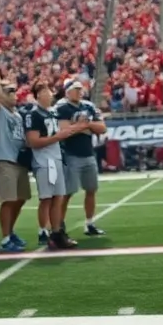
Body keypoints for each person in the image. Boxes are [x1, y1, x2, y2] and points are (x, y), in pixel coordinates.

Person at [25, 82, 79, 249]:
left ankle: (57, 232)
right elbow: (32, 141)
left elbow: (60, 132)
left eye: (49, 90)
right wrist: (58, 137)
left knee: (58, 197)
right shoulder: (33, 114)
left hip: (55, 159)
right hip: (44, 161)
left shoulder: (53, 112)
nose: (49, 93)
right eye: (45, 91)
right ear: (38, 94)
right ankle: (43, 231)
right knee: (47, 199)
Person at [0, 61, 31, 253]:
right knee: (8, 199)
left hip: (18, 161)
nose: (14, 94)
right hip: (3, 159)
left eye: (13, 90)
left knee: (20, 198)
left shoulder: (18, 115)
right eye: (9, 91)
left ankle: (10, 232)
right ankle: (5, 238)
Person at [54, 80, 108, 237]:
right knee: (67, 192)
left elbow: (102, 128)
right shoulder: (62, 107)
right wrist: (85, 126)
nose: (79, 92)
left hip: (88, 153)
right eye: (75, 89)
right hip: (70, 154)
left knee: (91, 189)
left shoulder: (88, 106)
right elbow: (64, 131)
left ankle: (90, 223)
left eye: (80, 89)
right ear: (67, 91)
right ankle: (59, 225)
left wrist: (84, 125)